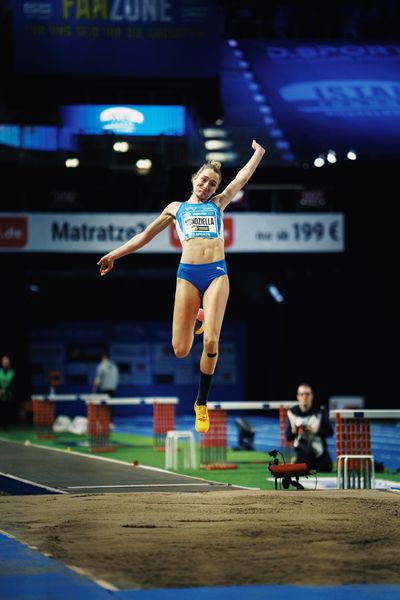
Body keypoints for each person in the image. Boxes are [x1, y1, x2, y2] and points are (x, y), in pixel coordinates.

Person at [97, 140, 266, 433]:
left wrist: (259, 154)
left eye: (213, 183)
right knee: (180, 350)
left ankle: (201, 403)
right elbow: (145, 236)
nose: (208, 186)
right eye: (204, 180)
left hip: (216, 273)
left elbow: (242, 178)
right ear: (194, 180)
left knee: (212, 342)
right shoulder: (175, 209)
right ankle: (198, 318)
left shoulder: (219, 204)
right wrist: (114, 254)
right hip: (187, 275)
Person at [285, 382, 334, 472]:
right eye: (302, 394)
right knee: (304, 467)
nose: (304, 397)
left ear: (312, 396)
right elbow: (288, 437)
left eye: (307, 394)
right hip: (302, 448)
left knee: (326, 468)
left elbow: (330, 432)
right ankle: (295, 461)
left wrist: (316, 431)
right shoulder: (292, 412)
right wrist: (294, 431)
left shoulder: (320, 410)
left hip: (319, 449)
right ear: (298, 397)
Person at [0, 355, 16, 431]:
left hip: (8, 395)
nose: (5, 363)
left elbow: (13, 383)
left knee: (6, 411)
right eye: (4, 362)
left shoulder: (11, 372)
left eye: (7, 362)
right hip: (0, 395)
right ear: (2, 362)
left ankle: (6, 426)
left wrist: (5, 390)